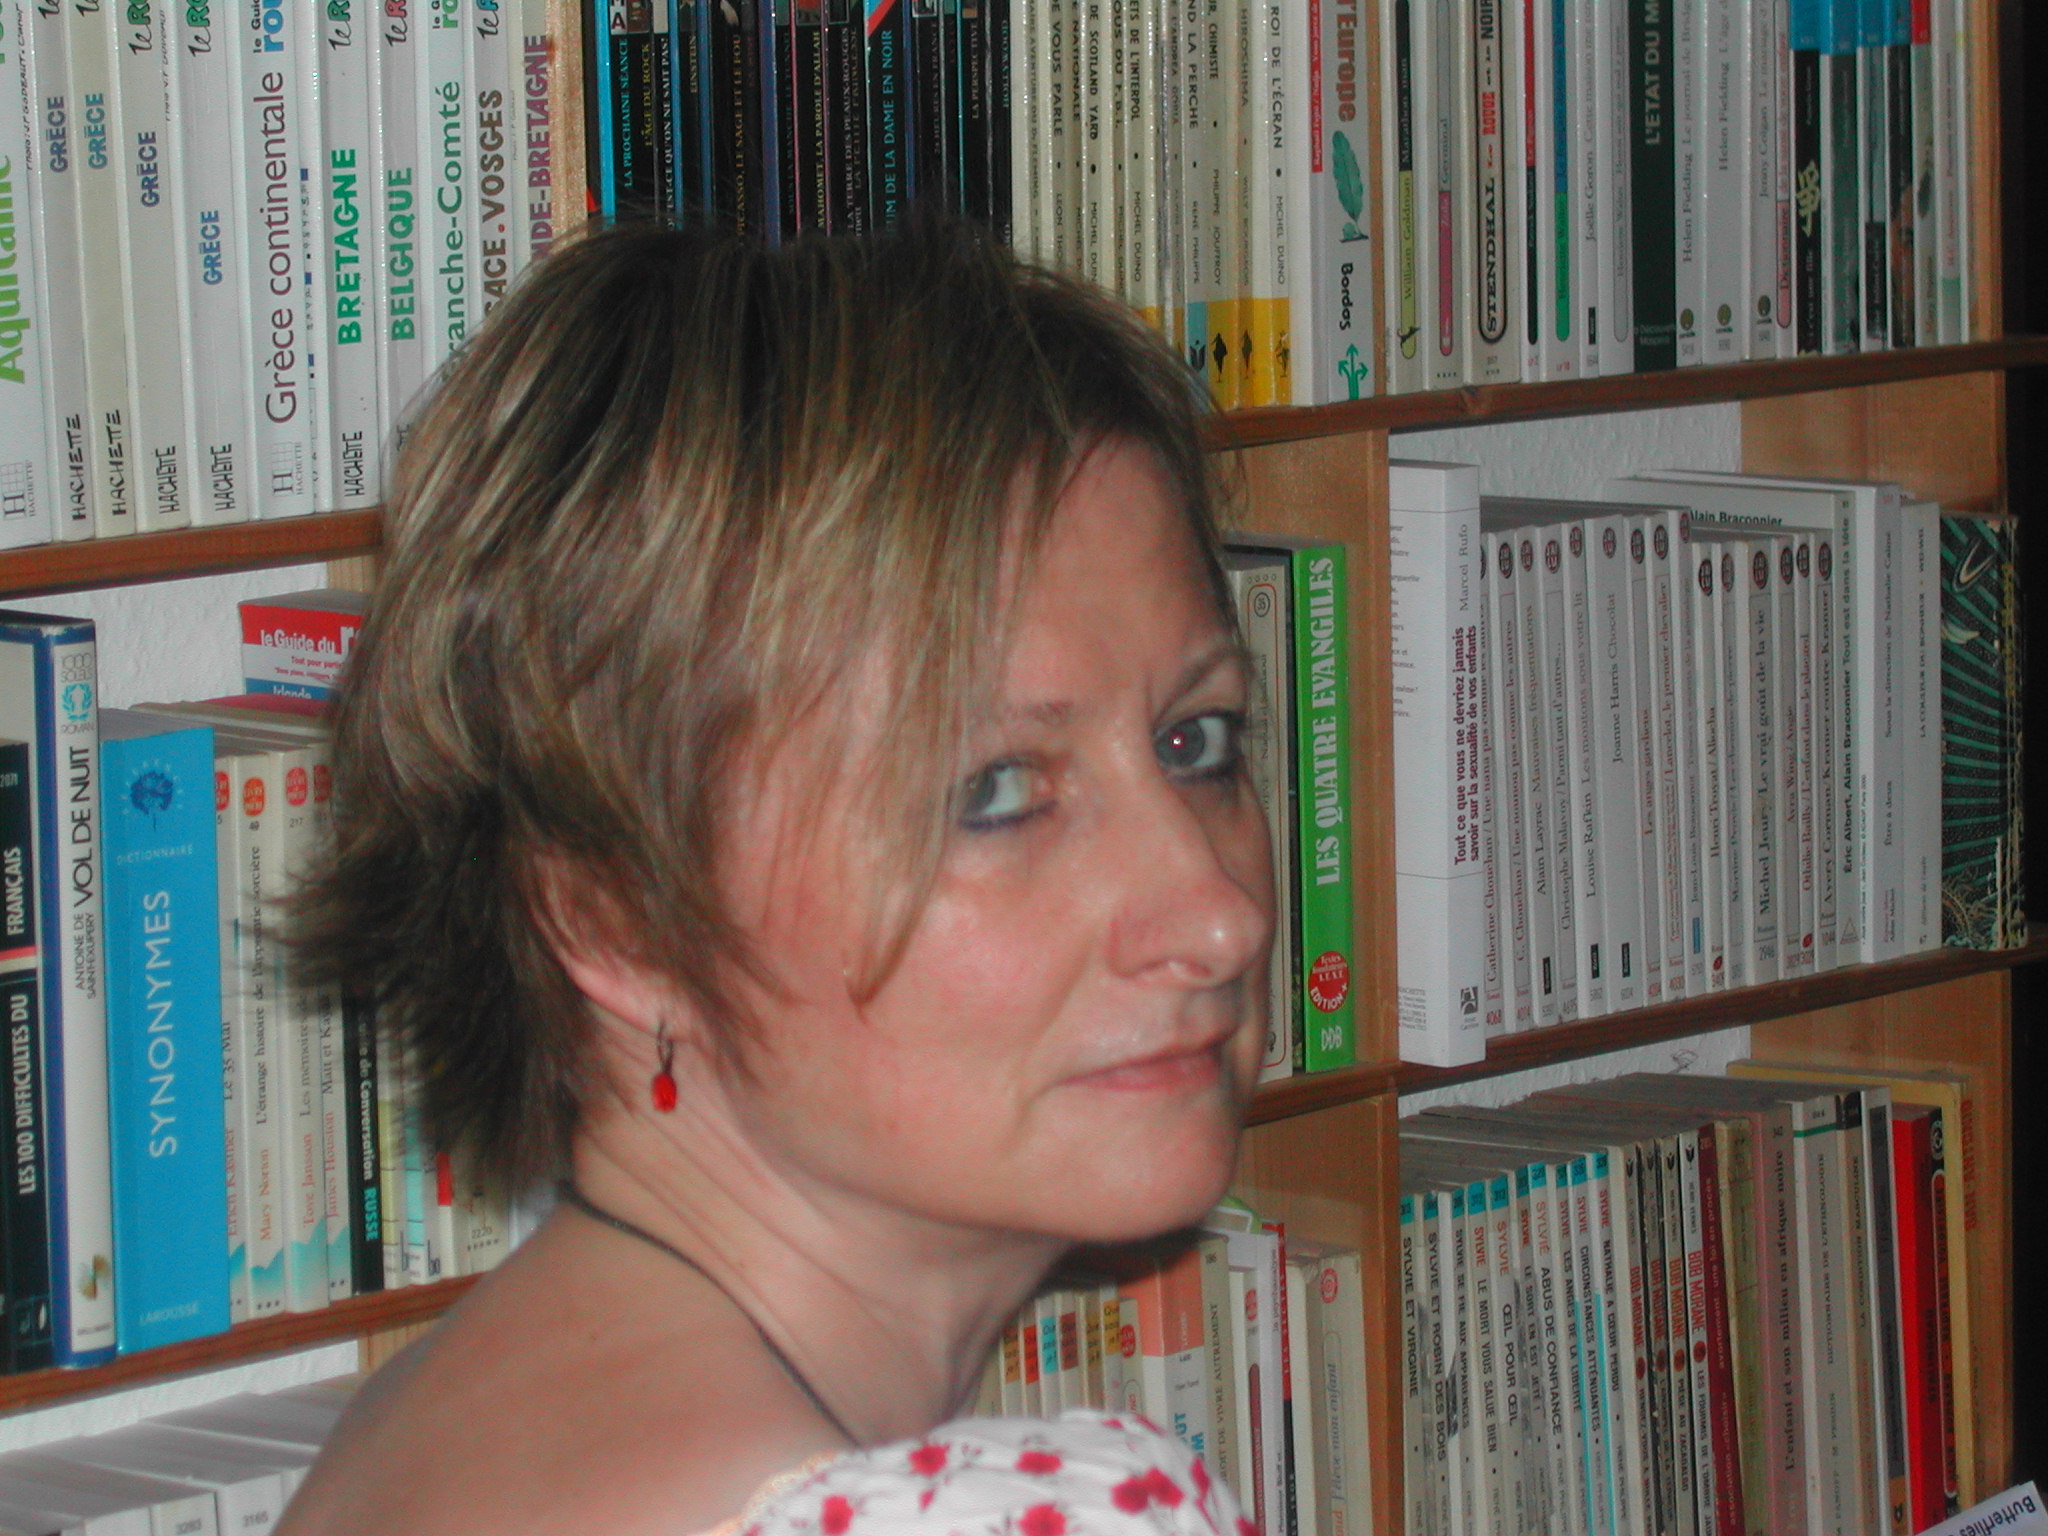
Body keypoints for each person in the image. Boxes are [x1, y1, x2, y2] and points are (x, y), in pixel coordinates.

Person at [276, 218, 1275, 1536]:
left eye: (1197, 743)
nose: (1217, 915)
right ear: (618, 920)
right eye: (994, 794)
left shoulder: (421, 1428)